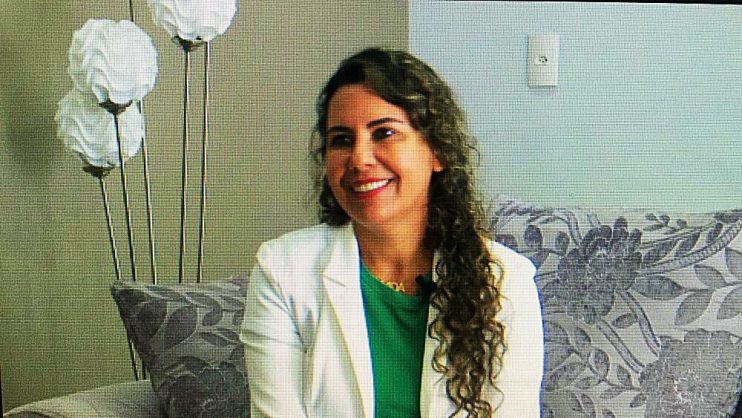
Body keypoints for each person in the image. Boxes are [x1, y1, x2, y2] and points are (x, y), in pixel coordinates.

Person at [240, 47, 544, 417]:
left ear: (438, 152)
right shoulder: (283, 270)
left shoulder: (506, 281)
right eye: (342, 140)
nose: (359, 159)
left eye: (383, 133)